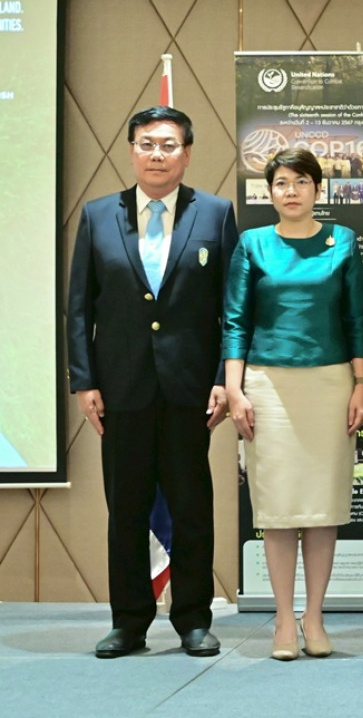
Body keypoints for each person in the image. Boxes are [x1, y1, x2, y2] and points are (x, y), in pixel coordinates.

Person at [67, 106, 237, 659]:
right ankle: (129, 622)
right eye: (146, 144)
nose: (157, 154)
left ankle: (193, 620)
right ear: (131, 150)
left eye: (168, 145)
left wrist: (223, 378)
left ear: (186, 153)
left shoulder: (215, 214)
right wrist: (83, 380)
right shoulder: (98, 215)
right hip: (121, 389)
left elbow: (231, 308)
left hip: (191, 389)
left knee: (192, 508)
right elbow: (78, 307)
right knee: (126, 510)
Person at [222, 148, 363, 661]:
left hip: (331, 384)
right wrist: (235, 389)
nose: (291, 191)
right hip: (267, 385)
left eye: (301, 182)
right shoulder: (253, 243)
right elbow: (236, 320)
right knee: (280, 509)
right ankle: (284, 619)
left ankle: (314, 616)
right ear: (269, 191)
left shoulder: (342, 240)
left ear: (317, 189)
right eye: (282, 182)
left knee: (322, 508)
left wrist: (361, 385)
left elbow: (357, 318)